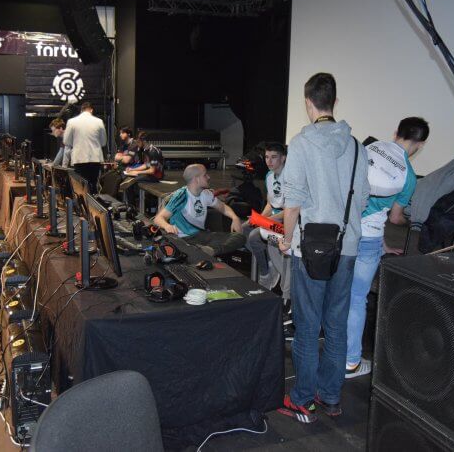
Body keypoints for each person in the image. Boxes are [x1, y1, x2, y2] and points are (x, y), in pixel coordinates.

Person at [276, 72, 370, 423]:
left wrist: (287, 239)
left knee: (306, 325)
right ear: (334, 102)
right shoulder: (357, 147)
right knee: (336, 324)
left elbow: (293, 203)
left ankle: (302, 397)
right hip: (347, 246)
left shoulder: (301, 144)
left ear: (308, 103)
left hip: (310, 249)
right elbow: (362, 199)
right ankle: (330, 397)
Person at [345, 117, 429, 379]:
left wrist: (384, 246)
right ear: (420, 145)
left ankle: (333, 350)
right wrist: (410, 220)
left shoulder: (370, 148)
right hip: (368, 239)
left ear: (395, 133)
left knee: (337, 291)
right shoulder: (409, 177)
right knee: (357, 299)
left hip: (345, 231)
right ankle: (351, 362)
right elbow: (393, 217)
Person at [154, 164, 246, 257]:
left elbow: (223, 207)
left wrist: (235, 218)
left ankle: (209, 250)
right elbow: (158, 218)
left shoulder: (206, 194)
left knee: (239, 237)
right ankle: (205, 251)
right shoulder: (181, 196)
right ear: (196, 179)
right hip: (184, 239)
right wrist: (167, 226)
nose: (208, 177)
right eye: (205, 175)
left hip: (201, 235)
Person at [244, 142, 287, 286]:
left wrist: (263, 221)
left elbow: (290, 211)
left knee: (254, 236)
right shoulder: (269, 175)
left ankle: (265, 274)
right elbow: (270, 203)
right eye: (267, 157)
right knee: (244, 228)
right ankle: (270, 262)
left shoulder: (289, 177)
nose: (269, 161)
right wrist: (260, 218)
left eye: (274, 157)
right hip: (274, 219)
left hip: (287, 223)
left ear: (283, 158)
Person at [63, 102, 107, 193]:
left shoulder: (72, 122)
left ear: (81, 110)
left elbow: (66, 141)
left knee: (80, 186)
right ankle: (93, 200)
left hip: (79, 158)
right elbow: (103, 142)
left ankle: (81, 201)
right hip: (95, 158)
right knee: (93, 184)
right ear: (91, 110)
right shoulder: (99, 122)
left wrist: (76, 144)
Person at [119, 132, 164, 203]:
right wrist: (132, 169)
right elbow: (146, 165)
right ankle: (130, 203)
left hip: (155, 176)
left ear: (144, 141)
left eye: (138, 141)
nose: (137, 143)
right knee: (128, 178)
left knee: (131, 182)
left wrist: (137, 172)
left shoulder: (153, 152)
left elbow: (152, 171)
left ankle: (132, 205)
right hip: (149, 174)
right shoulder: (146, 150)